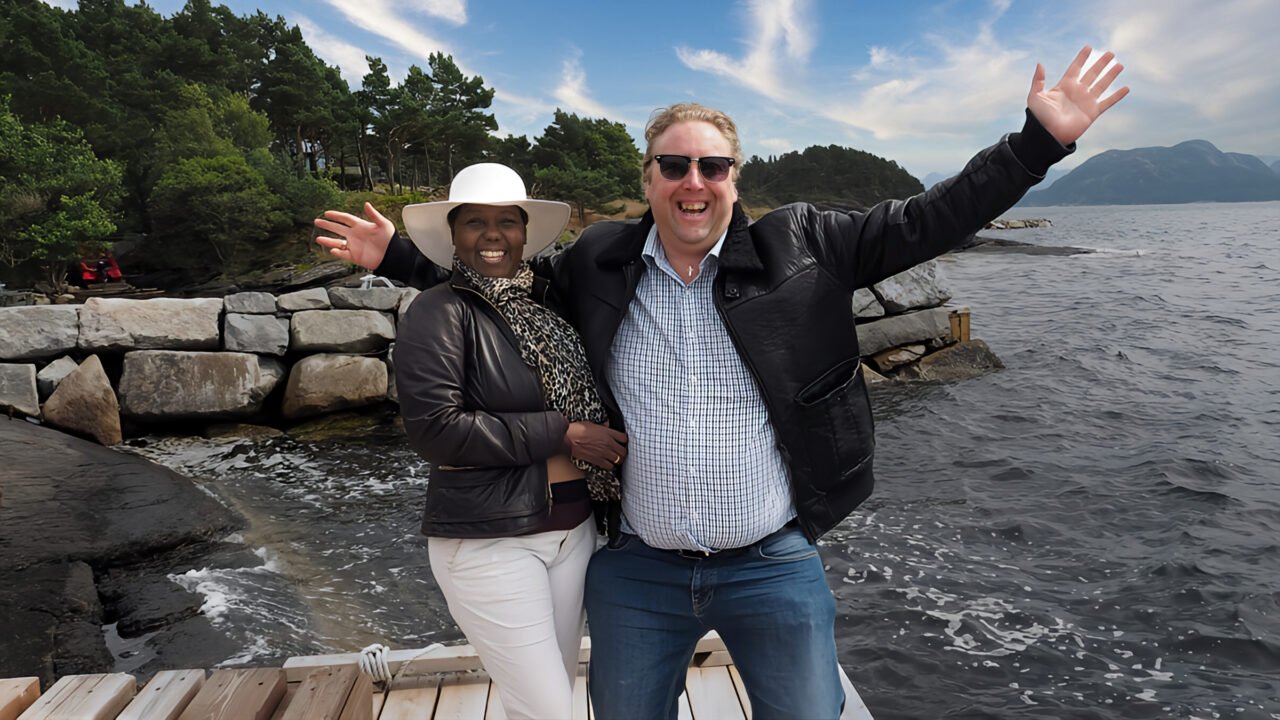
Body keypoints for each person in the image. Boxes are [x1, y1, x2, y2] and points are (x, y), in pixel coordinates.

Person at [317, 46, 1128, 719]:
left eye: (712, 166)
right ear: (648, 178)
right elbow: (498, 285)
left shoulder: (807, 245)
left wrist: (1035, 145)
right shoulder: (598, 261)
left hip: (772, 561)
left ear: (736, 178)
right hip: (638, 569)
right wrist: (401, 258)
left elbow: (927, 219)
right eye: (674, 165)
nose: (693, 181)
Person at [321, 163, 628, 719]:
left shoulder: (547, 304)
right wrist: (564, 432)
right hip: (491, 541)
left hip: (574, 533)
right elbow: (437, 431)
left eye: (507, 221)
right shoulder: (436, 311)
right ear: (454, 234)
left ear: (525, 232)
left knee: (549, 696)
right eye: (475, 222)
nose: (493, 234)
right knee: (549, 711)